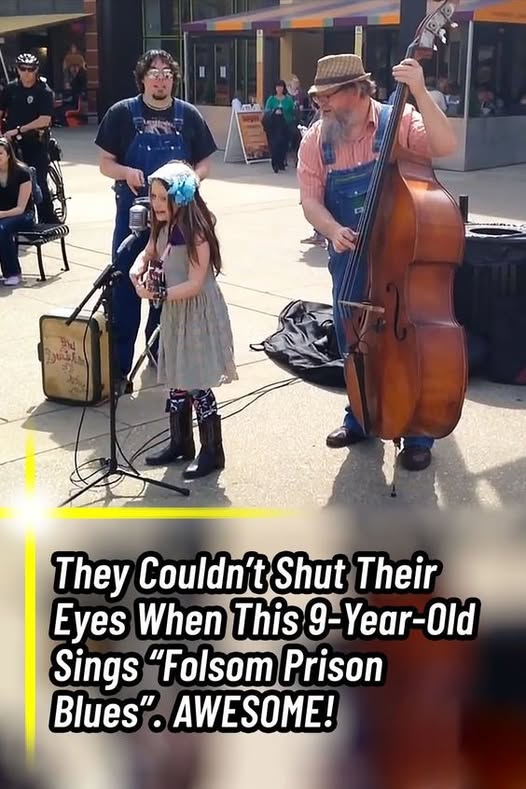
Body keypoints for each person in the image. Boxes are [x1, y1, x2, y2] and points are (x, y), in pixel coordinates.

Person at [297, 53, 457, 471]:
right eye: (318, 99)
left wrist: (420, 91)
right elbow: (310, 200)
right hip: (349, 262)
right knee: (356, 344)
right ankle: (361, 417)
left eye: (328, 97)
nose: (322, 106)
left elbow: (445, 145)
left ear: (356, 90)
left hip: (400, 262)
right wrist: (331, 229)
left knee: (413, 346)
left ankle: (418, 431)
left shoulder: (398, 120)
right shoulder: (317, 139)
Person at [95, 49, 217, 392]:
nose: (161, 78)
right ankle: (120, 369)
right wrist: (126, 171)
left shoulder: (188, 115)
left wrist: (191, 178)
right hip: (134, 217)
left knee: (168, 286)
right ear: (143, 78)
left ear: (173, 78)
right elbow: (105, 162)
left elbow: (206, 160)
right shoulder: (122, 113)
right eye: (154, 72)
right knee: (125, 288)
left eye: (166, 72)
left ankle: (159, 351)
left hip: (178, 221)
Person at [129, 160, 238, 480]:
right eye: (154, 197)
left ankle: (212, 451)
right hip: (175, 310)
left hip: (197, 311)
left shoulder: (197, 232)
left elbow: (194, 283)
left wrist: (156, 296)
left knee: (196, 380)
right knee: (177, 378)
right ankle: (180, 442)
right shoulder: (162, 226)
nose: (157, 204)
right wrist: (138, 268)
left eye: (164, 198)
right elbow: (148, 253)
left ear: (182, 197)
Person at [0, 53, 56, 223]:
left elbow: (45, 119)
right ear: (18, 69)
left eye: (30, 69)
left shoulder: (43, 91)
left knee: (38, 179)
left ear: (36, 70)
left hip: (36, 141)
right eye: (23, 69)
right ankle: (18, 214)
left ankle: (48, 218)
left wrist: (19, 129)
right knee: (11, 178)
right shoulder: (10, 89)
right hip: (13, 143)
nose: (26, 73)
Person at [0, 136, 35, 286]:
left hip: (23, 215)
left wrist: (2, 214)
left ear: (8, 154)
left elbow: (21, 208)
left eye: (0, 154)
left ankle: (13, 272)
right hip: (2, 215)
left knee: (2, 229)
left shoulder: (22, 173)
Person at [264, 80, 295, 172]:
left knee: (284, 145)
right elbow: (267, 111)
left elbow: (292, 112)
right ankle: (275, 164)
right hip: (274, 127)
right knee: (275, 145)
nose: (279, 89)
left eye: (281, 87)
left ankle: (281, 162)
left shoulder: (288, 99)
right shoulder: (271, 99)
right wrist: (274, 112)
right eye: (277, 87)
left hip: (286, 125)